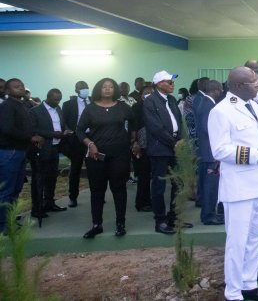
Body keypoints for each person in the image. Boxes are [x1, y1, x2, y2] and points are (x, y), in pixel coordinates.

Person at [208, 67, 258, 301]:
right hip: (239, 189)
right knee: (237, 243)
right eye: (253, 82)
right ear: (238, 86)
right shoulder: (221, 111)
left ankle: (249, 284)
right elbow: (220, 150)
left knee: (255, 238)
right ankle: (233, 292)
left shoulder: (254, 107)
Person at [76, 78, 139, 238]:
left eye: (111, 86)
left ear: (115, 90)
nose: (108, 89)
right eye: (104, 86)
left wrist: (133, 137)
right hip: (97, 155)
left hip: (119, 155)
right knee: (97, 190)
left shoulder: (123, 107)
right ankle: (97, 224)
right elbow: (79, 130)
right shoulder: (90, 108)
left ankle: (120, 223)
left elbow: (134, 121)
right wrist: (90, 144)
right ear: (99, 89)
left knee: (119, 189)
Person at [143, 70, 185, 234]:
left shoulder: (172, 99)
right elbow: (155, 128)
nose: (173, 85)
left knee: (177, 183)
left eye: (172, 82)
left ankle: (173, 217)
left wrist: (180, 139)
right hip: (160, 148)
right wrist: (174, 143)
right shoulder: (150, 101)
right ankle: (160, 221)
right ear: (159, 84)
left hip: (175, 145)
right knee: (159, 186)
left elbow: (179, 121)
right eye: (169, 82)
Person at [0, 78, 38, 234]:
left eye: (22, 85)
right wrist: (30, 137)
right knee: (7, 190)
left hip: (20, 151)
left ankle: (11, 220)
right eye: (16, 87)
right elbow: (7, 129)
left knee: (16, 189)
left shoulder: (21, 104)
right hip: (10, 152)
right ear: (7, 91)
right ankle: (3, 225)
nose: (21, 88)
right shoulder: (7, 106)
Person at [29, 88, 68, 217]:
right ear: (48, 97)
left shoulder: (58, 109)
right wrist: (52, 134)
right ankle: (37, 208)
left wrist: (66, 131)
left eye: (59, 100)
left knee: (52, 178)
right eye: (55, 99)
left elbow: (62, 124)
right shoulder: (35, 111)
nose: (58, 102)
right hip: (42, 149)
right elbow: (32, 129)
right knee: (39, 179)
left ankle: (49, 203)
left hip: (55, 148)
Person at [195, 79, 225, 225]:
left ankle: (211, 213)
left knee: (210, 186)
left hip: (207, 150)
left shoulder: (205, 102)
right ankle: (208, 216)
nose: (221, 93)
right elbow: (207, 128)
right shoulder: (208, 105)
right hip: (209, 152)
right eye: (220, 90)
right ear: (215, 91)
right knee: (210, 187)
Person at [61, 80, 90, 208]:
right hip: (76, 139)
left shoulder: (94, 101)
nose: (84, 89)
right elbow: (63, 121)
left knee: (95, 169)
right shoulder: (68, 104)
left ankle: (97, 194)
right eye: (81, 87)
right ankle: (73, 197)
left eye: (86, 87)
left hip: (92, 138)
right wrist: (69, 131)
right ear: (76, 90)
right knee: (75, 169)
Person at [132, 83, 153, 212]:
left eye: (151, 93)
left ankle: (150, 200)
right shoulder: (137, 107)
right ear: (141, 95)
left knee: (152, 175)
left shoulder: (156, 105)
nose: (149, 95)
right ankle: (142, 202)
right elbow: (133, 126)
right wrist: (135, 142)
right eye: (146, 93)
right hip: (141, 145)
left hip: (154, 145)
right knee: (143, 175)